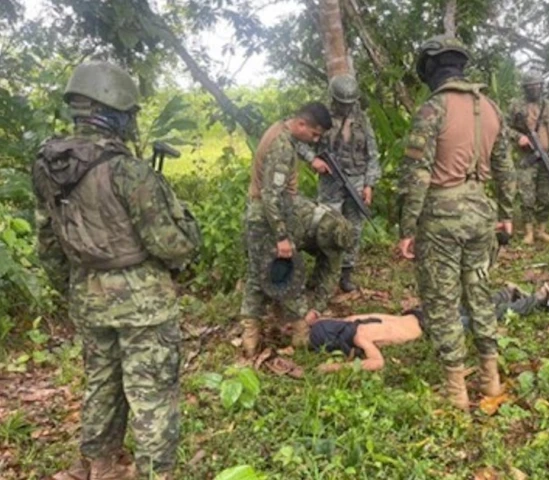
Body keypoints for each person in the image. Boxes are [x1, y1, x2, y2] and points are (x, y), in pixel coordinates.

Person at [34, 61, 201, 480]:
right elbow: (169, 244)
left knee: (101, 382)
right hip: (143, 301)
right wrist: (188, 229)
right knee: (152, 393)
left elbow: (48, 243)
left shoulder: (49, 165)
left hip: (87, 294)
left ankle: (97, 465)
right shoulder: (128, 170)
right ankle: (153, 473)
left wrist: (74, 286)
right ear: (116, 109)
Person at [396, 35, 516, 410]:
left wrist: (406, 229)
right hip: (481, 211)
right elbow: (505, 169)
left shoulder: (433, 109)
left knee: (443, 300)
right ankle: (490, 378)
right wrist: (508, 214)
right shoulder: (491, 107)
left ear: (431, 68)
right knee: (479, 293)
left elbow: (416, 174)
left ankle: (455, 390)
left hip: (441, 216)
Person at [239, 102, 355, 358]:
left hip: (262, 217)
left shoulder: (280, 130)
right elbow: (271, 194)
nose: (314, 140)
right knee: (283, 275)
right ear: (301, 124)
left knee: (258, 275)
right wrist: (282, 235)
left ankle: (250, 336)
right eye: (314, 134)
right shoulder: (282, 145)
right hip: (269, 219)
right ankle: (299, 335)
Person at [311, 284, 549, 373]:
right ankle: (507, 293)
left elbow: (377, 363)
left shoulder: (359, 336)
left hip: (427, 326)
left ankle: (538, 299)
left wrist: (335, 367)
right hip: (419, 313)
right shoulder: (353, 320)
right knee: (470, 308)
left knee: (481, 318)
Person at [297, 74, 382, 292]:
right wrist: (312, 159)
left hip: (356, 179)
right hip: (330, 181)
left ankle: (346, 274)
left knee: (353, 228)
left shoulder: (362, 121)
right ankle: (324, 274)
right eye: (341, 103)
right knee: (326, 228)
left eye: (349, 104)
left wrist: (369, 184)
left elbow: (372, 154)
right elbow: (297, 141)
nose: (345, 108)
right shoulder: (321, 118)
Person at [507, 71, 549, 244]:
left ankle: (541, 230)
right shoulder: (516, 106)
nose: (535, 88)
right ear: (525, 87)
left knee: (547, 196)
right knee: (527, 196)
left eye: (537, 85)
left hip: (547, 156)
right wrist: (519, 137)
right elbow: (503, 126)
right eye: (531, 86)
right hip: (527, 158)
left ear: (542, 86)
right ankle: (528, 232)